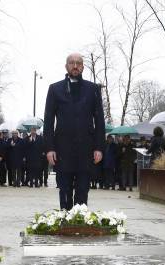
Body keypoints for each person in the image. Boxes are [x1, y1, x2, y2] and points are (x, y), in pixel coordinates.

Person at [43, 52, 106, 209]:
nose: (75, 65)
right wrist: (49, 148)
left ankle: (79, 223)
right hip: (63, 149)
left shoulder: (93, 89)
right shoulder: (55, 89)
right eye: (72, 62)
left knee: (83, 190)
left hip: (86, 149)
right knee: (64, 189)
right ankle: (65, 220)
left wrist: (99, 147)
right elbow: (49, 121)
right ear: (66, 66)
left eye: (78, 63)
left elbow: (99, 120)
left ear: (83, 67)